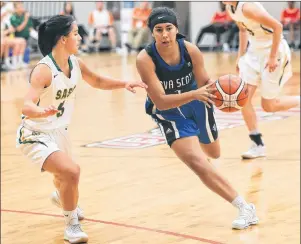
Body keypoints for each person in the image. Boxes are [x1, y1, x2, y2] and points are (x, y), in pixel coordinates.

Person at [16, 15, 147, 243]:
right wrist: (40, 112)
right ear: (62, 39)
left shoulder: (75, 62)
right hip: (34, 133)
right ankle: (72, 226)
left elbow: (96, 81)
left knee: (64, 178)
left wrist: (123, 84)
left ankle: (61, 197)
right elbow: (26, 105)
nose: (79, 36)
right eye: (75, 33)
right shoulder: (44, 70)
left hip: (59, 131)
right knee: (71, 171)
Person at [136, 7, 259, 230]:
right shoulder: (145, 59)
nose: (164, 34)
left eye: (169, 28)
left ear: (176, 29)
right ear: (152, 33)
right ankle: (245, 207)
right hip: (169, 113)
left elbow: (204, 81)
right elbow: (162, 101)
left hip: (198, 105)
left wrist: (225, 95)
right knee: (196, 162)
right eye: (159, 30)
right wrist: (194, 93)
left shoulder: (190, 50)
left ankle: (206, 163)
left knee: (214, 153)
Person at [223, 1, 300, 159]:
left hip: (274, 51)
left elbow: (278, 26)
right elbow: (243, 30)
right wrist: (240, 57)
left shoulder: (248, 7)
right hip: (253, 52)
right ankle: (257, 144)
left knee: (269, 106)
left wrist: (272, 57)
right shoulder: (230, 8)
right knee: (242, 98)